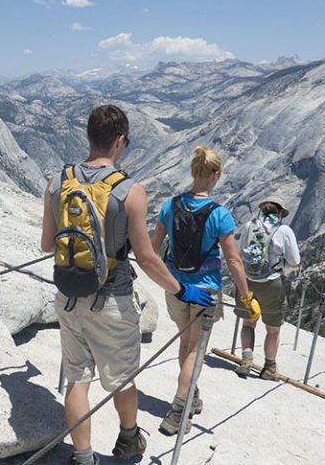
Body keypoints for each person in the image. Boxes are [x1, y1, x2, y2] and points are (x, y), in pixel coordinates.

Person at [41, 105, 214, 465]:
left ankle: (83, 457)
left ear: (88, 136)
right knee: (122, 379)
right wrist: (181, 291)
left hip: (69, 295)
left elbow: (46, 243)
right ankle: (129, 439)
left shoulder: (57, 181)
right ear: (120, 141)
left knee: (77, 378)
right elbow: (147, 258)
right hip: (113, 300)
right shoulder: (130, 191)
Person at [150, 146, 257, 435]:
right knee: (196, 350)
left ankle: (191, 395)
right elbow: (233, 260)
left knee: (186, 344)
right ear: (215, 174)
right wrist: (246, 297)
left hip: (174, 286)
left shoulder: (169, 205)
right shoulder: (220, 214)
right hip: (206, 291)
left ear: (193, 171)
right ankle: (177, 412)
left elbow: (153, 247)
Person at [233, 195, 301, 380]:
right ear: (280, 212)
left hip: (247, 282)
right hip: (272, 283)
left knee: (248, 323)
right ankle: (269, 367)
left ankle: (246, 361)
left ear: (262, 209)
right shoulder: (284, 230)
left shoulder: (249, 226)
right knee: (273, 328)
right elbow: (295, 260)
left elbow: (236, 251)